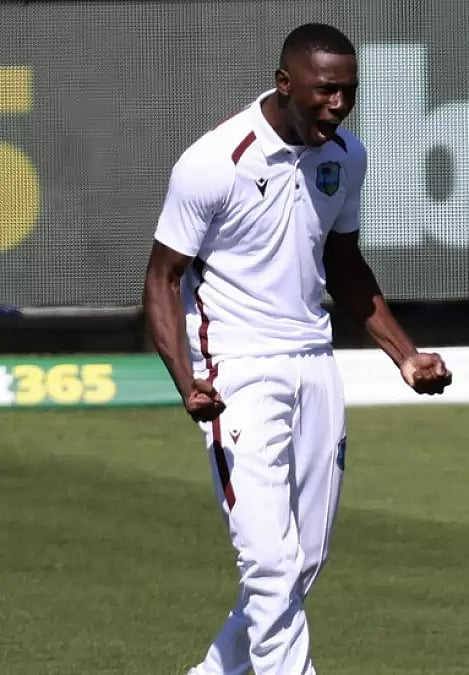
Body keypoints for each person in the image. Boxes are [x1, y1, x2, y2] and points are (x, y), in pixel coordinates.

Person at [142, 23, 452, 675]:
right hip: (236, 374)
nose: (338, 105)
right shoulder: (214, 163)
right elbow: (161, 278)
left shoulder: (347, 157)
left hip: (314, 364)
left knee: (302, 560)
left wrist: (405, 353)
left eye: (349, 92)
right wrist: (186, 380)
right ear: (285, 84)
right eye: (325, 91)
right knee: (270, 560)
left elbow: (345, 267)